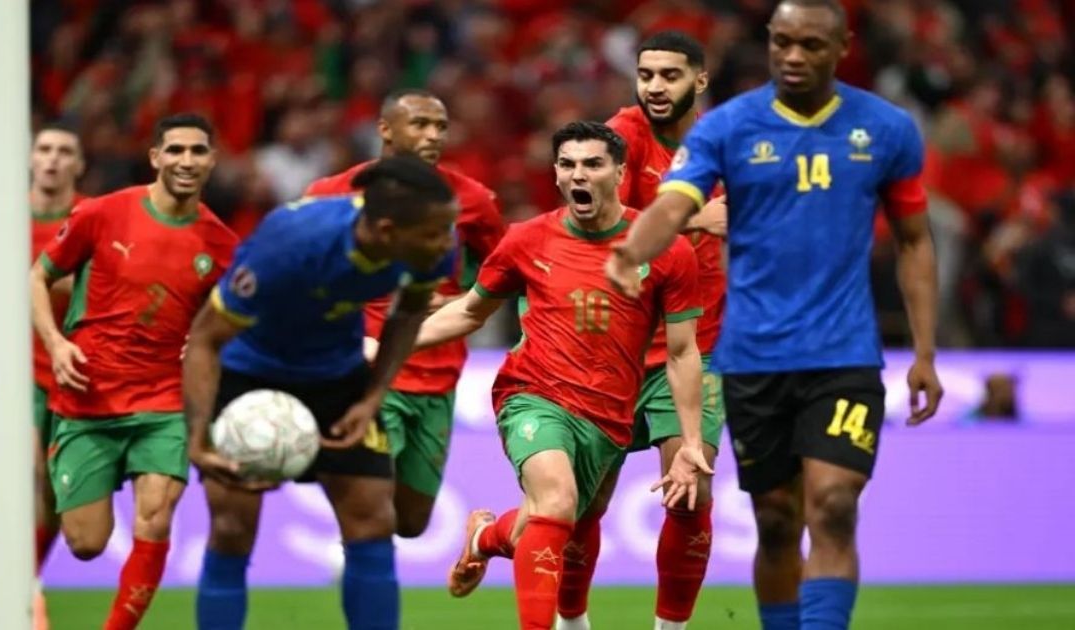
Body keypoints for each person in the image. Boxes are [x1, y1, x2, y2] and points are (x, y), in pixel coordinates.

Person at [605, 1, 945, 628]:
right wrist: (631, 252)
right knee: (777, 520)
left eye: (810, 45)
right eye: (782, 42)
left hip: (844, 355)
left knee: (834, 505)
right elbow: (673, 205)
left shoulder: (886, 129)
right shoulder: (727, 128)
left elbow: (915, 240)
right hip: (753, 359)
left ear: (842, 47)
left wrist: (924, 351)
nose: (793, 56)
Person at [382, 121, 710, 630]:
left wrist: (690, 441)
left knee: (563, 521)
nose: (579, 174)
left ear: (620, 173)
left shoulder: (666, 249)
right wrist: (390, 347)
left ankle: (486, 538)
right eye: (568, 164)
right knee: (557, 501)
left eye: (593, 164)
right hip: (533, 394)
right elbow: (469, 311)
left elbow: (684, 351)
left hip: (609, 414)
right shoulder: (526, 239)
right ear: (556, 173)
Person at [183, 156, 458, 630]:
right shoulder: (288, 246)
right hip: (249, 373)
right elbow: (205, 340)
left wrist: (372, 397)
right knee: (231, 528)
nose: (446, 244)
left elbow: (408, 314)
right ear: (387, 231)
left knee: (374, 522)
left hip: (337, 376)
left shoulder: (429, 250)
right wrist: (198, 437)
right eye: (435, 233)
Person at [30, 113, 237, 630]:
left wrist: (208, 340)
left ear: (212, 160)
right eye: (175, 150)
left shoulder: (221, 244)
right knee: (85, 543)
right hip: (88, 397)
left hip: (163, 401)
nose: (186, 161)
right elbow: (38, 276)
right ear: (155, 157)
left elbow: (235, 321)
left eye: (197, 151)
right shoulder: (102, 213)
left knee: (156, 516)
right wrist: (55, 343)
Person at [555, 31, 727, 630]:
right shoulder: (621, 138)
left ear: (699, 80)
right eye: (646, 74)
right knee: (585, 504)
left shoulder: (723, 140)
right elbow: (601, 233)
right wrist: (697, 218)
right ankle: (572, 622)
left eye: (669, 75)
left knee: (691, 493)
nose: (654, 86)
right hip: (615, 349)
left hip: (695, 345)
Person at [304, 89, 505, 538]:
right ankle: (357, 558)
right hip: (368, 367)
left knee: (412, 523)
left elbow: (502, 276)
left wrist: (452, 302)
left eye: (440, 127)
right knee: (369, 504)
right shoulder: (331, 194)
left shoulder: (472, 200)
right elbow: (302, 274)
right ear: (385, 129)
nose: (433, 135)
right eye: (420, 124)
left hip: (438, 373)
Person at [0, 122, 85, 630]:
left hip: (73, 371)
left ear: (79, 165)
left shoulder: (90, 218)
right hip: (16, 374)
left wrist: (35, 283)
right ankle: (25, 590)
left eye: (64, 151)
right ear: (31, 159)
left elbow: (100, 289)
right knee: (26, 472)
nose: (52, 158)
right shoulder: (1, 218)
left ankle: (29, 576)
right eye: (44, 149)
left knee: (54, 493)